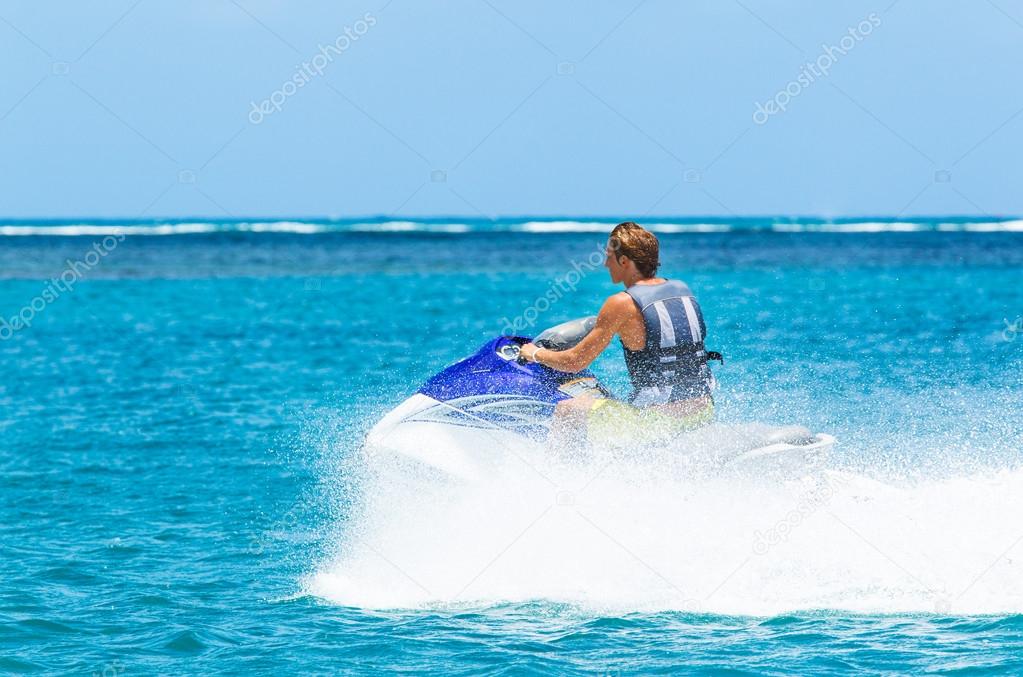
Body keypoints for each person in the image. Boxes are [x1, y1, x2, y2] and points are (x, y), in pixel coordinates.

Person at [518, 221, 715, 446]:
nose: (605, 263)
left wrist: (534, 353)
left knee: (569, 410)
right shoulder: (682, 290)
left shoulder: (621, 303)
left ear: (624, 261)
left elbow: (574, 362)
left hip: (658, 420)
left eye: (609, 256)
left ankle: (564, 478)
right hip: (702, 409)